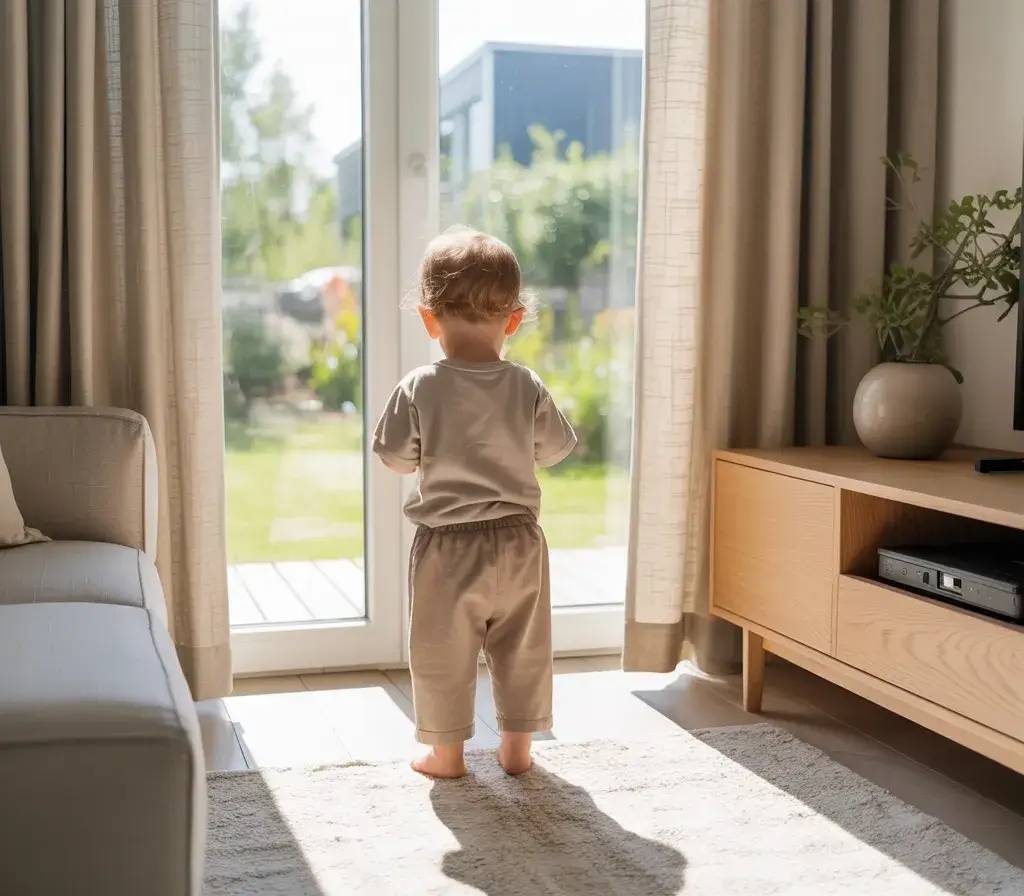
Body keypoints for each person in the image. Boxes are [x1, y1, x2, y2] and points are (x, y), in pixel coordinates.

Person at [373, 227, 577, 778]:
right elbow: (556, 450)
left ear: (428, 318)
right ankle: (518, 748)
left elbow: (394, 459)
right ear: (514, 319)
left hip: (447, 549)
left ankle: (447, 754)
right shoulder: (525, 384)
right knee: (523, 648)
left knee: (443, 654)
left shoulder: (420, 386)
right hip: (519, 542)